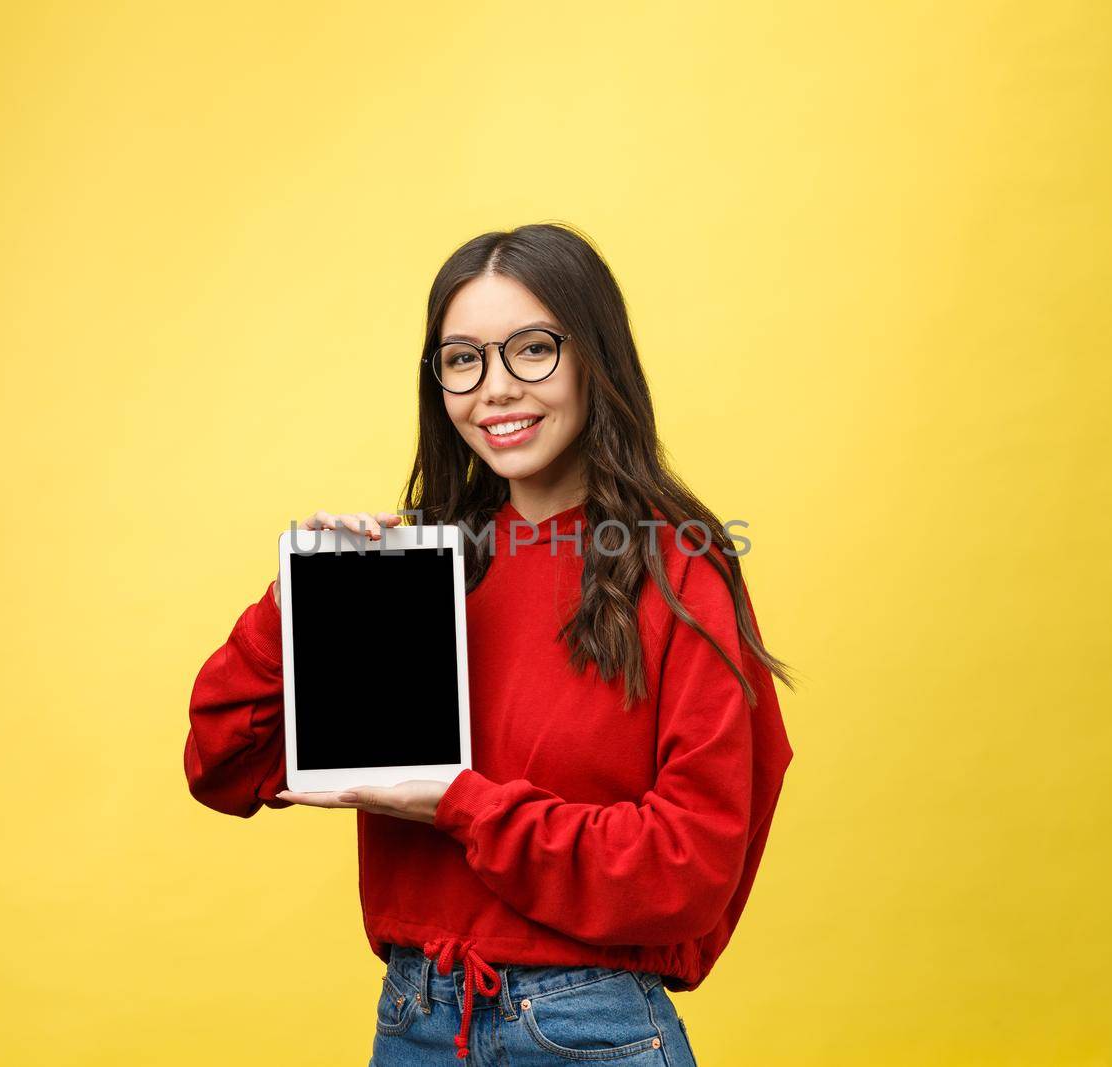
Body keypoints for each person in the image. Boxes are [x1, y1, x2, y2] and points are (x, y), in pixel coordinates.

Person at [184, 222, 795, 1065]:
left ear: (595, 358)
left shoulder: (678, 568)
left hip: (591, 1027)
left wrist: (462, 804)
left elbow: (688, 868)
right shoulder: (424, 571)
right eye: (463, 359)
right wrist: (297, 599)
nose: (495, 389)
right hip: (418, 1019)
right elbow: (221, 761)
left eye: (532, 350)